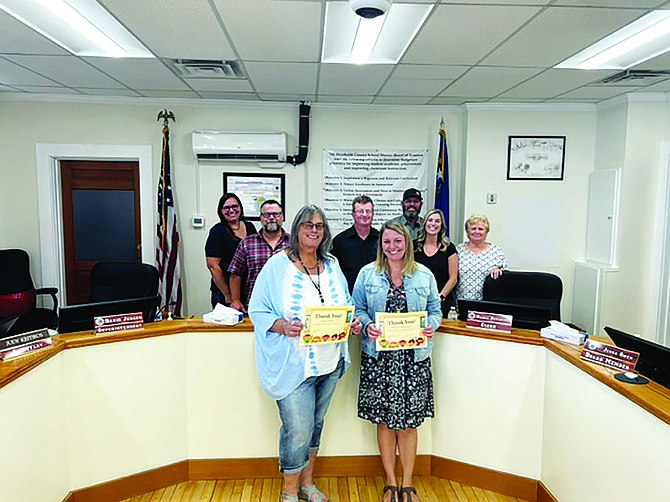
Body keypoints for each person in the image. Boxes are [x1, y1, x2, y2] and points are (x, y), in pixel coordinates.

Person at [248, 204, 362, 502]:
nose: (314, 230)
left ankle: (307, 484)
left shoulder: (332, 265)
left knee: (315, 425)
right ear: (296, 229)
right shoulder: (277, 266)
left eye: (320, 226)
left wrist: (354, 321)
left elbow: (346, 302)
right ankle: (288, 491)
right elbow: (256, 309)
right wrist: (283, 325)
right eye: (308, 225)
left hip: (329, 361)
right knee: (297, 430)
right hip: (294, 363)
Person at [351, 220, 441, 502]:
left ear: (407, 244)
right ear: (381, 245)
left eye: (398, 241)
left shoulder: (424, 275)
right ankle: (390, 481)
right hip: (379, 360)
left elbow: (435, 310)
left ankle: (408, 482)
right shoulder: (368, 274)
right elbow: (358, 309)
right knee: (385, 422)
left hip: (413, 360)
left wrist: (431, 326)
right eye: (387, 242)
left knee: (409, 423)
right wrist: (367, 326)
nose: (392, 247)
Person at [228, 200, 290, 312]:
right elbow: (235, 274)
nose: (271, 218)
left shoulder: (294, 244)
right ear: (261, 218)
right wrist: (235, 300)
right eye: (266, 215)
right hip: (256, 304)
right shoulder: (247, 244)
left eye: (276, 214)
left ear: (282, 217)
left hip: (287, 304)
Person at [205, 193, 256, 308]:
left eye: (235, 206)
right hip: (224, 292)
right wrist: (229, 295)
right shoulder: (217, 231)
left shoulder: (250, 227)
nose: (231, 210)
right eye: (226, 207)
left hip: (247, 290)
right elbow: (213, 266)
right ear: (221, 211)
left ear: (240, 208)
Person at [414, 209, 458, 317]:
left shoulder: (449, 248)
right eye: (430, 220)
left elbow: (453, 278)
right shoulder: (413, 246)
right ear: (424, 224)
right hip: (418, 300)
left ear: (442, 225)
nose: (433, 224)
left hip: (443, 301)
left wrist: (440, 297)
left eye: (437, 221)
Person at [332, 195, 379, 293]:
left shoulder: (381, 239)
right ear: (353, 214)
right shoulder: (340, 241)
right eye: (360, 211)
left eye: (368, 211)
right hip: (348, 293)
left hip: (376, 293)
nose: (365, 215)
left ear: (373, 214)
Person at [455, 213, 508, 301]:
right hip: (460, 302)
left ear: (486, 231)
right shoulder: (457, 250)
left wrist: (499, 270)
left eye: (480, 229)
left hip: (488, 304)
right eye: (473, 229)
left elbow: (506, 276)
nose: (477, 232)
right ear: (467, 231)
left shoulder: (496, 251)